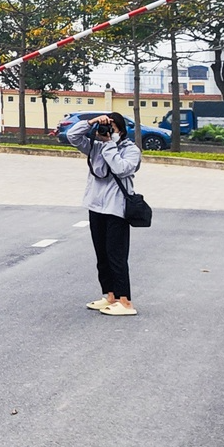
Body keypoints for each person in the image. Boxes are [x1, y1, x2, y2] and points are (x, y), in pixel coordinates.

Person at [64, 111, 141, 317]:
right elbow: (72, 136)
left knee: (116, 256)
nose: (106, 131)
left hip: (117, 209)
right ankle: (110, 296)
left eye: (111, 127)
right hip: (96, 207)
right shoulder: (95, 146)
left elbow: (121, 168)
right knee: (102, 255)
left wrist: (109, 144)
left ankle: (125, 302)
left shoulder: (130, 149)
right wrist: (91, 122)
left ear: (121, 130)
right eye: (105, 127)